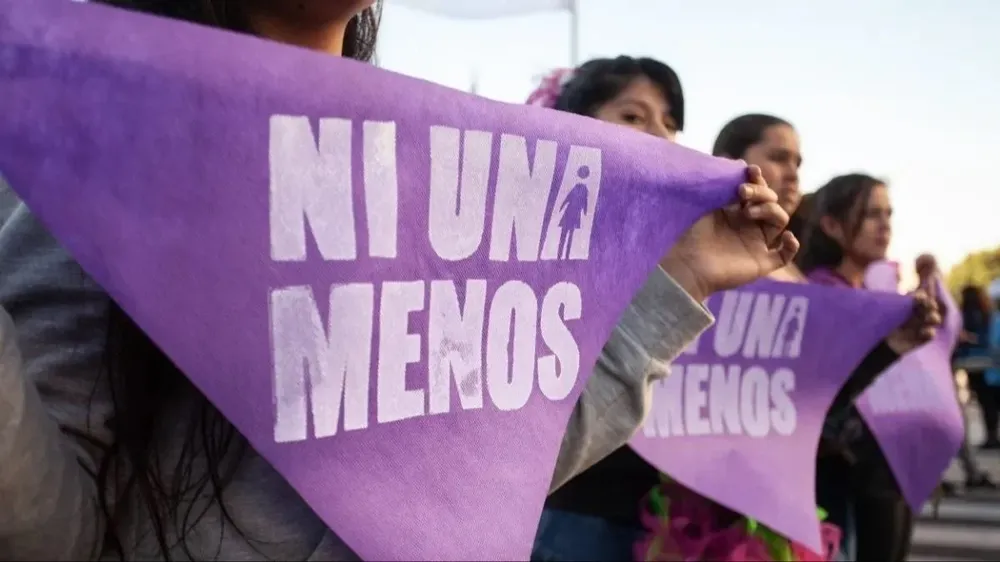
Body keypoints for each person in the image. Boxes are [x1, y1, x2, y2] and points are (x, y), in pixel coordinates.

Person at [0, 9, 798, 560]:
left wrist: (684, 276)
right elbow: (52, 531)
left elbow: (489, 476)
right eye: (634, 116)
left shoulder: (437, 177)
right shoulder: (101, 157)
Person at [795, 173, 940, 562]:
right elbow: (822, 390)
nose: (884, 224)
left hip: (883, 472)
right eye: (871, 214)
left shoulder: (869, 297)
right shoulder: (820, 295)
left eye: (888, 213)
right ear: (831, 224)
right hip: (842, 481)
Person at [956, 284, 1000, 449]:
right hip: (988, 362)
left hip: (970, 362)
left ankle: (991, 437)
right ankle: (992, 436)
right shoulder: (988, 315)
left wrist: (967, 338)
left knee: (984, 401)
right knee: (991, 400)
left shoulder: (963, 315)